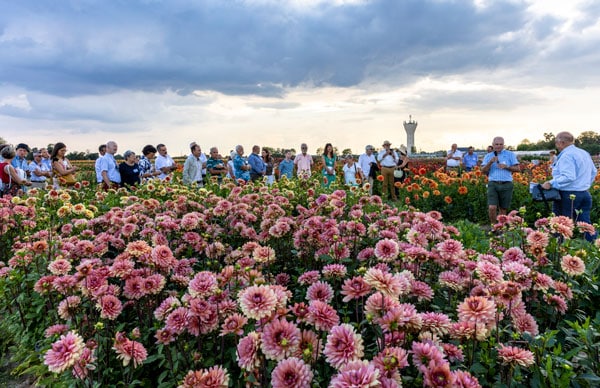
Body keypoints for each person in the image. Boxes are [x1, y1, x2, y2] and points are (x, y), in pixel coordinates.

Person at [541, 131, 597, 241]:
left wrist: (551, 182)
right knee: (586, 226)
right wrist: (584, 185)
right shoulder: (583, 153)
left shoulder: (567, 155)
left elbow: (569, 176)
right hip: (584, 194)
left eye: (556, 142)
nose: (556, 145)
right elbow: (594, 172)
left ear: (561, 142)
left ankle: (560, 251)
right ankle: (595, 248)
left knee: (561, 226)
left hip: (568, 195)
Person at [481, 137, 520, 225]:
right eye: (496, 144)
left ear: (503, 145)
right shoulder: (488, 156)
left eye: (500, 144)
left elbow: (518, 169)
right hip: (493, 183)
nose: (498, 146)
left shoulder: (510, 154)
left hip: (506, 184)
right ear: (493, 145)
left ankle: (500, 226)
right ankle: (493, 225)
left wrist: (506, 167)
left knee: (503, 208)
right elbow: (483, 171)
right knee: (492, 207)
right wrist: (490, 162)